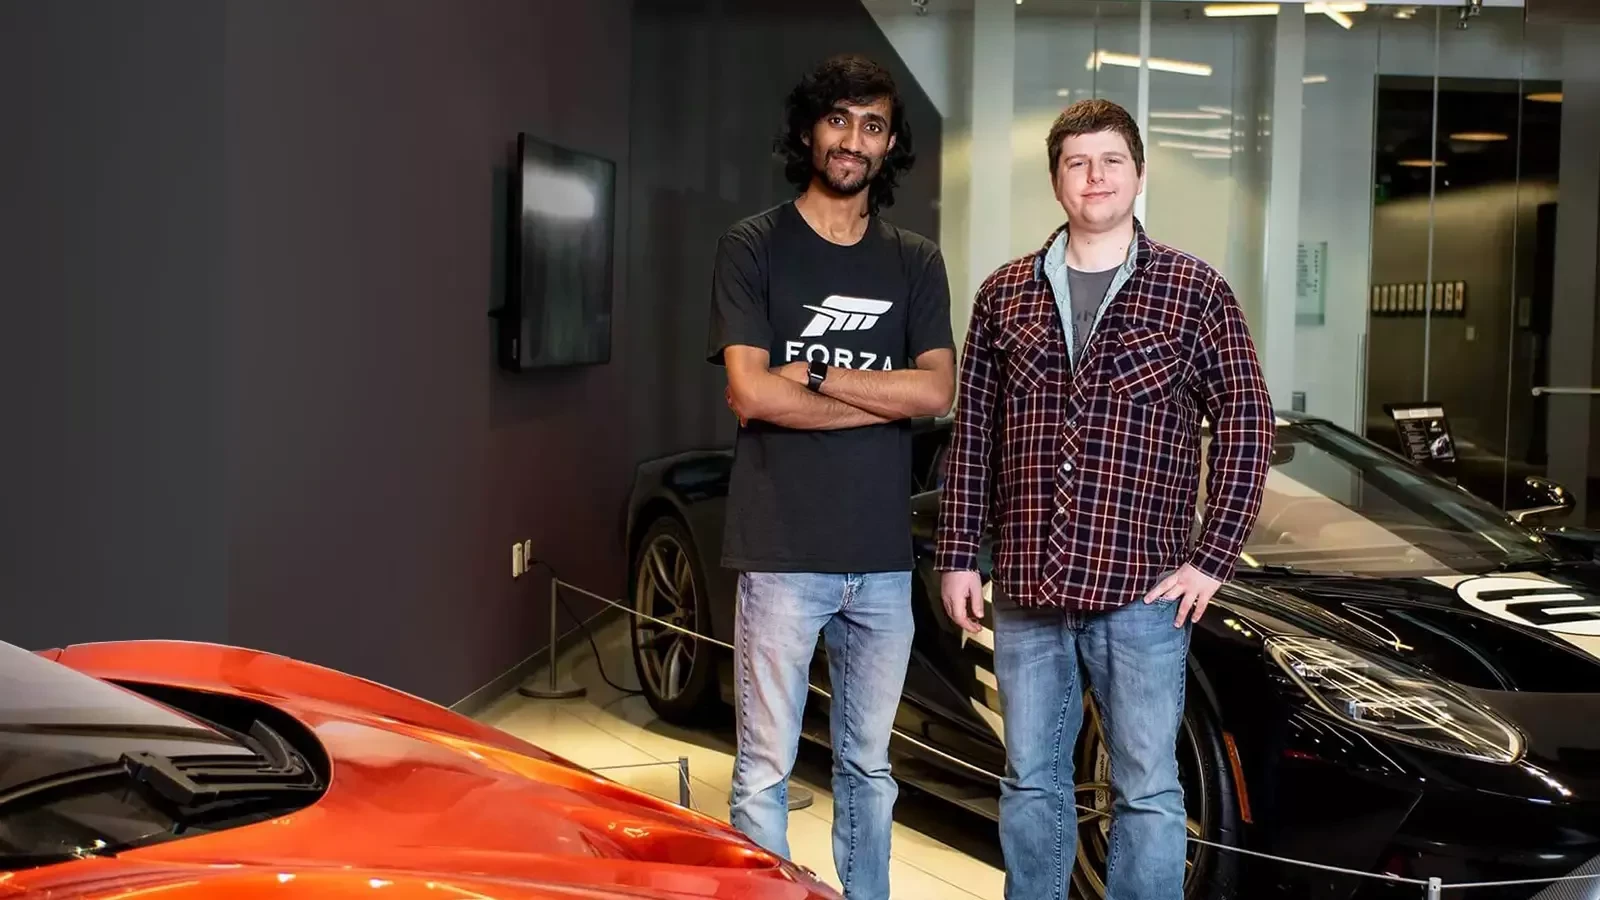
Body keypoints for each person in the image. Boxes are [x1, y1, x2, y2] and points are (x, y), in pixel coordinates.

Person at [934, 98, 1274, 900]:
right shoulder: (1004, 294)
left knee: (1148, 793)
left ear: (1140, 174)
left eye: (1111, 161)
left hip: (1144, 595)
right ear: (1056, 180)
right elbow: (973, 434)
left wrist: (1211, 560)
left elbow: (1249, 428)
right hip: (1028, 590)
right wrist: (958, 555)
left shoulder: (1195, 292)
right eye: (1077, 162)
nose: (1095, 177)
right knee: (1030, 780)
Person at [706, 54, 956, 900]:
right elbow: (748, 392)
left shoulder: (915, 259)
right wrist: (881, 401)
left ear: (890, 147)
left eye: (874, 125)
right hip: (781, 551)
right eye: (840, 119)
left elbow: (936, 389)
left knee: (869, 771)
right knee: (765, 770)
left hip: (881, 558)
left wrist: (809, 378)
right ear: (811, 129)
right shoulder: (753, 246)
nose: (854, 139)